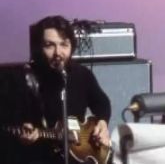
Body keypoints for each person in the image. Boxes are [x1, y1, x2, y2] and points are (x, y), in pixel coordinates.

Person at [13, 15, 112, 163]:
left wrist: (102, 124)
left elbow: (102, 103)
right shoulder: (24, 78)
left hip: (78, 156)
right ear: (38, 48)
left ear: (72, 46)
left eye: (64, 44)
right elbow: (13, 119)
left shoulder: (82, 74)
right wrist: (24, 132)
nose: (58, 52)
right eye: (49, 45)